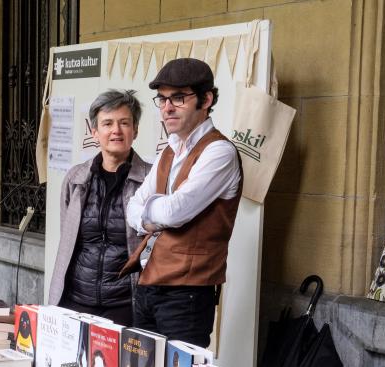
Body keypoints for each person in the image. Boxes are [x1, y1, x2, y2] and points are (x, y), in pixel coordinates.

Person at [123, 58, 242, 347]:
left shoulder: (220, 152)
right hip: (148, 284)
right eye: (162, 99)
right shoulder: (169, 151)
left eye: (179, 97)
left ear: (206, 99)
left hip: (187, 294)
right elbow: (131, 207)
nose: (167, 107)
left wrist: (150, 211)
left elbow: (176, 213)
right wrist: (153, 212)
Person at [48, 89, 151, 326]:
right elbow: (68, 238)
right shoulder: (76, 179)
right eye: (107, 123)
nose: (116, 130)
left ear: (135, 130)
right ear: (95, 132)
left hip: (124, 304)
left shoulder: (150, 181)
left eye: (124, 123)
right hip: (76, 299)